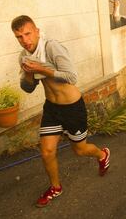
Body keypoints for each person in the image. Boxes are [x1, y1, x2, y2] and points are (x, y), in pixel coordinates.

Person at [12, 15, 110, 208]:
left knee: (80, 150)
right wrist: (30, 74)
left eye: (28, 34)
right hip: (51, 109)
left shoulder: (51, 47)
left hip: (73, 108)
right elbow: (28, 88)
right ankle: (55, 187)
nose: (25, 40)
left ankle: (102, 155)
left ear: (37, 31)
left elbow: (71, 76)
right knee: (47, 152)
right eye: (19, 37)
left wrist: (42, 69)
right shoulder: (23, 57)